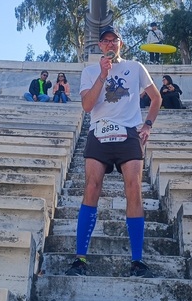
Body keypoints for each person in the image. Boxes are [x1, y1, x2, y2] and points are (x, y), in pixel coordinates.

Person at [66, 25, 161, 278]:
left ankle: (137, 261)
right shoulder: (89, 71)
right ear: (100, 46)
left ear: (121, 43)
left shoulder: (136, 67)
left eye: (114, 40)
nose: (110, 44)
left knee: (134, 189)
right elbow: (87, 106)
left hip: (128, 133)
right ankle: (80, 258)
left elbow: (156, 98)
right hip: (99, 133)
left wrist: (148, 125)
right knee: (91, 187)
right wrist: (102, 74)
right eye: (105, 41)